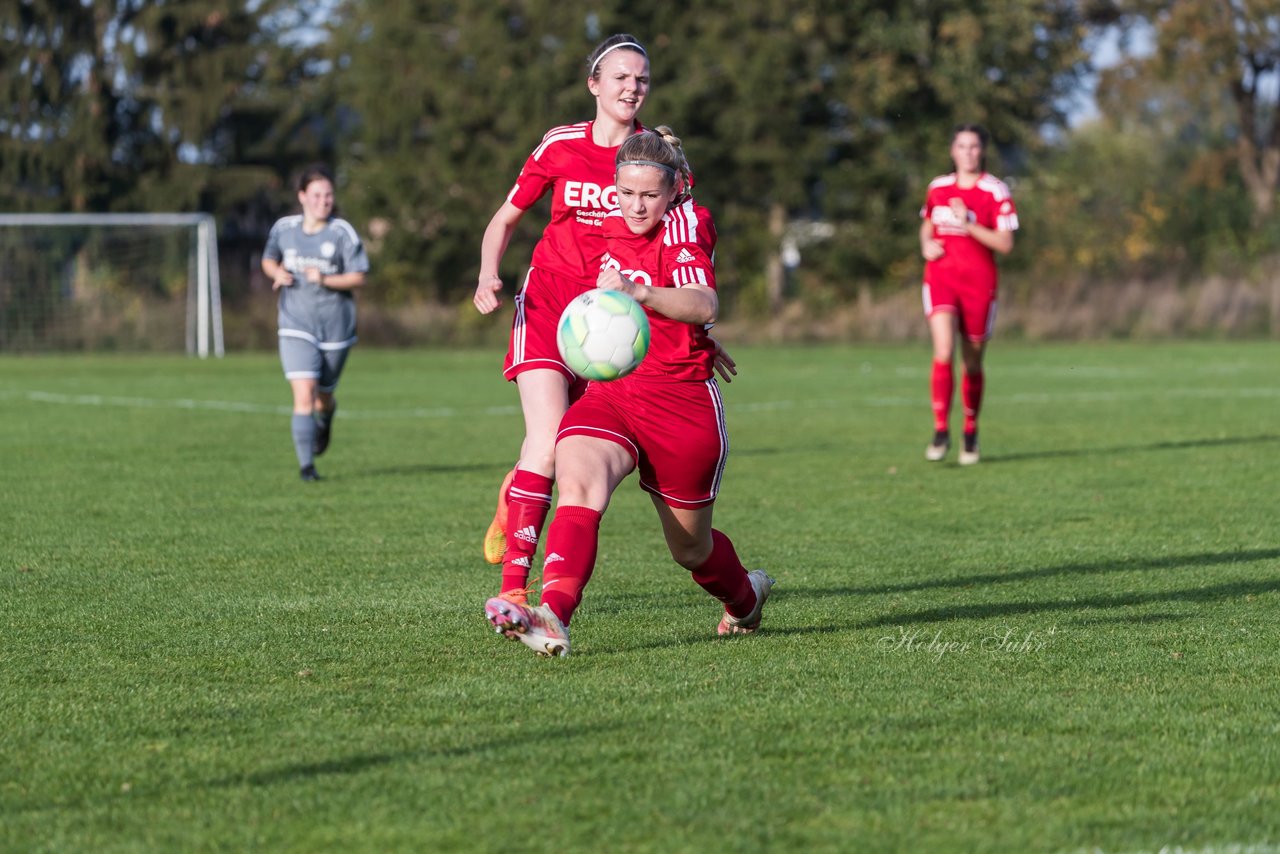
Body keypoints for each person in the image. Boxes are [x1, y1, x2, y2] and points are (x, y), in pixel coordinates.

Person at [483, 127, 773, 657]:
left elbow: (704, 302)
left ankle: (745, 598)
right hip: (614, 393)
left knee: (691, 549)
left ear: (673, 191)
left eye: (649, 195)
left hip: (681, 404)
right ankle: (552, 615)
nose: (636, 206)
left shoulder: (688, 223)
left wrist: (650, 297)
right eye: (626, 192)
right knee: (577, 480)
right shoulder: (610, 224)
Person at [472, 34, 652, 591]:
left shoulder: (654, 156)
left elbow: (679, 247)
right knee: (548, 439)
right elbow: (505, 219)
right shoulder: (559, 145)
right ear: (594, 84)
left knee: (576, 454)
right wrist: (487, 273)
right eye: (621, 77)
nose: (633, 87)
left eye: (642, 79)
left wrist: (702, 326)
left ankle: (516, 491)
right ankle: (513, 590)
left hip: (613, 322)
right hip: (549, 304)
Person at [262, 164, 369, 481]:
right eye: (317, 195)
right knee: (303, 393)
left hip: (335, 327)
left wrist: (324, 278)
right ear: (302, 196)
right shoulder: (284, 229)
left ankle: (325, 418)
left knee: (323, 395)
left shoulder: (342, 232)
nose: (324, 201)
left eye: (328, 195)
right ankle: (307, 467)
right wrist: (276, 272)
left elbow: (359, 276)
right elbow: (268, 258)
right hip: (295, 323)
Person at [918, 124, 1018, 465]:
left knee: (972, 360)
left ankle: (971, 431)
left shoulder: (995, 191)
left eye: (974, 146)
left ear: (982, 151)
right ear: (952, 150)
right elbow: (927, 225)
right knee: (943, 350)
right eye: (962, 146)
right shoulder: (938, 188)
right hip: (941, 278)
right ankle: (941, 429)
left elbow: (1005, 244)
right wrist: (925, 243)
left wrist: (969, 223)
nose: (968, 152)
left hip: (979, 284)